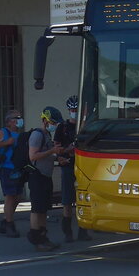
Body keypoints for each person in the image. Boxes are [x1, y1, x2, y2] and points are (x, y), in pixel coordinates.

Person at [25, 106, 64, 251]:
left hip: (46, 176)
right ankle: (37, 240)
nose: (54, 125)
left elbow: (46, 154)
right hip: (37, 176)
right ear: (44, 121)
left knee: (43, 209)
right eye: (52, 122)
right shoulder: (37, 135)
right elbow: (33, 156)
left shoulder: (47, 135)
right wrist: (52, 151)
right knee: (37, 209)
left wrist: (57, 157)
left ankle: (43, 237)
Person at [55, 95, 89, 242]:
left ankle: (83, 230)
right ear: (69, 110)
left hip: (83, 168)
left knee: (83, 198)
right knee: (67, 200)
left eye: (77, 109)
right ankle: (67, 232)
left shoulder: (86, 126)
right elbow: (56, 148)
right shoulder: (62, 127)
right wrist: (65, 152)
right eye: (73, 109)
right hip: (68, 166)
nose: (75, 112)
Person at [0, 109, 25, 237]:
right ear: (9, 121)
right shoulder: (3, 132)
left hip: (17, 168)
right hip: (6, 168)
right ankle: (9, 224)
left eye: (19, 117)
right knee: (10, 197)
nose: (19, 119)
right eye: (16, 117)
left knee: (18, 196)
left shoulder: (18, 134)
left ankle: (5, 220)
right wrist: (6, 143)